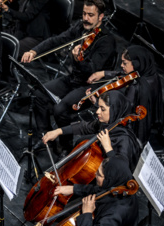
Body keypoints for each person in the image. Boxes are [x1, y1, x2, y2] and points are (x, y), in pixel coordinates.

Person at [21, 0, 116, 153]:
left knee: (61, 110)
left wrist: (80, 59)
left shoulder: (107, 41)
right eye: (84, 14)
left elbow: (92, 70)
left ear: (101, 17)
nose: (86, 18)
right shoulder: (81, 27)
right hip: (74, 79)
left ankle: (66, 148)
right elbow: (57, 40)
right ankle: (46, 138)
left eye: (91, 15)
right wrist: (34, 51)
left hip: (89, 86)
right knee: (39, 94)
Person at [43, 90, 141, 171]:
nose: (97, 112)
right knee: (80, 141)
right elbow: (85, 127)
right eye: (98, 107)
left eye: (102, 109)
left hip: (106, 178)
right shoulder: (108, 123)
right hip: (97, 164)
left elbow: (120, 171)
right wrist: (58, 131)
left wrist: (108, 148)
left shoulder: (125, 140)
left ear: (114, 111)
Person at [88, 45, 163, 145]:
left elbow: (121, 113)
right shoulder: (151, 74)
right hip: (148, 125)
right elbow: (126, 75)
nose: (122, 65)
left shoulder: (137, 87)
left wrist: (97, 104)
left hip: (131, 132)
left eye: (125, 63)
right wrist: (104, 73)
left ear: (136, 64)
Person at [53, 155, 139, 226]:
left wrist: (87, 213)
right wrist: (73, 188)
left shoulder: (114, 214)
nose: (95, 174)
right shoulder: (122, 183)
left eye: (99, 175)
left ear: (109, 180)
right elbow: (101, 189)